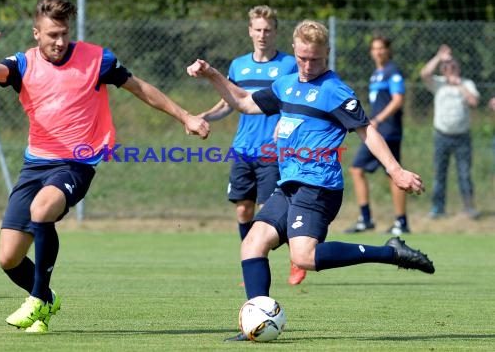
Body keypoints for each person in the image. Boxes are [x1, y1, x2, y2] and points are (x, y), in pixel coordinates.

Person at [0, 0, 209, 333]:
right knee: (8, 258)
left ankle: (38, 299)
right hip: (34, 164)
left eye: (64, 33)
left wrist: (185, 116)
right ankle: (48, 299)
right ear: (36, 33)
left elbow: (140, 88)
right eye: (52, 34)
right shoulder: (23, 64)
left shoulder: (96, 59)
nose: (59, 41)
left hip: (76, 164)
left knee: (42, 210)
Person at [187, 19, 435, 342]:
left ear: (327, 54)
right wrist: (212, 75)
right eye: (302, 58)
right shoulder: (286, 84)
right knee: (252, 243)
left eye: (315, 59)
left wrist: (396, 170)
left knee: (303, 257)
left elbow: (367, 130)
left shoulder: (335, 90)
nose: (307, 65)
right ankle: (255, 322)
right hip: (289, 184)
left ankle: (390, 252)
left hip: (319, 186)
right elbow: (244, 103)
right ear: (294, 50)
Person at [197, 5, 306, 286]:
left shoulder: (288, 66)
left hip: (273, 153)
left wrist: (287, 122)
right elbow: (228, 103)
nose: (262, 35)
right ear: (249, 31)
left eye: (267, 30)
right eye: (257, 29)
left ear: (275, 32)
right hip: (244, 150)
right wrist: (204, 116)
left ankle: (296, 257)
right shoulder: (238, 65)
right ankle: (251, 259)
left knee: (270, 211)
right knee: (243, 211)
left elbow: (297, 101)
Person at [346, 35, 409, 235]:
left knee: (383, 172)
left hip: (387, 131)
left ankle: (392, 221)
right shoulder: (376, 74)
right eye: (374, 48)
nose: (378, 52)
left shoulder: (393, 72)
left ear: (388, 50)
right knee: (363, 171)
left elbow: (398, 100)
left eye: (381, 48)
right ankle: (390, 220)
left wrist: (378, 119)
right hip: (377, 132)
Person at [420, 44, 480, 219]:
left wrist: (459, 84)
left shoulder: (467, 83)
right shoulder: (438, 84)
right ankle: (438, 209)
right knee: (439, 173)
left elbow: (474, 101)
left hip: (462, 137)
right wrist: (439, 57)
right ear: (443, 70)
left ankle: (469, 208)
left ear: (458, 69)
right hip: (442, 135)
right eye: (447, 68)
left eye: (453, 67)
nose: (450, 70)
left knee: (464, 173)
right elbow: (424, 74)